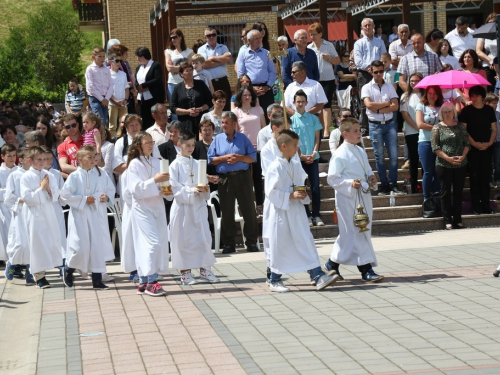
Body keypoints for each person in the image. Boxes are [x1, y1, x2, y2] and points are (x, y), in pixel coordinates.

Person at [264, 130, 339, 293]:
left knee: (305, 240)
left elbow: (300, 183)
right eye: (294, 145)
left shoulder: (296, 164)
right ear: (283, 146)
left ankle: (317, 275)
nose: (298, 148)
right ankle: (274, 279)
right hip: (281, 212)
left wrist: (302, 192)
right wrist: (290, 195)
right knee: (281, 244)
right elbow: (271, 192)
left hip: (296, 210)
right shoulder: (274, 167)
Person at [325, 117, 384, 282]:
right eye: (355, 131)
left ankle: (332, 264)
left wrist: (371, 176)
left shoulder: (360, 150)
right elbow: (332, 179)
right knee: (356, 230)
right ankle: (366, 269)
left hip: (362, 196)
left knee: (355, 232)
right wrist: (351, 183)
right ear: (345, 134)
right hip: (348, 198)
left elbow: (367, 168)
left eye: (360, 131)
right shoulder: (339, 154)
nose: (359, 134)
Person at [61, 145, 115, 290]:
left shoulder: (98, 174)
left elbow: (107, 189)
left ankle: (97, 280)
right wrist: (84, 199)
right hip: (79, 215)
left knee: (96, 246)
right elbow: (65, 196)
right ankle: (69, 269)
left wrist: (104, 196)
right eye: (89, 157)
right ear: (79, 160)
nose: (93, 160)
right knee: (80, 247)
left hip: (95, 214)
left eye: (93, 157)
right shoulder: (74, 176)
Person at [169, 130, 218, 285]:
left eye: (192, 145)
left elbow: (204, 184)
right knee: (183, 240)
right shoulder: (174, 165)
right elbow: (174, 189)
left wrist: (204, 189)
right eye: (187, 145)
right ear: (179, 145)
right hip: (183, 209)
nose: (190, 148)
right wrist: (191, 190)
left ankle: (205, 269)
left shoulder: (197, 164)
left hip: (198, 207)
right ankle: (185, 273)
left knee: (203, 238)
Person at [127, 132, 172, 296]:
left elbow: (165, 187)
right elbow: (136, 189)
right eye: (147, 142)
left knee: (157, 242)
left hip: (157, 207)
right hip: (143, 208)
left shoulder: (157, 162)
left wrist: (168, 189)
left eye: (152, 142)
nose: (151, 145)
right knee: (151, 243)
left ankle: (143, 282)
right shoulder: (134, 164)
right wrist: (155, 180)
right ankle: (152, 281)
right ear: (138, 145)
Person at [207, 111, 259, 254]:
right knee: (227, 211)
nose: (223, 125)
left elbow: (253, 157)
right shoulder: (217, 139)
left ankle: (251, 242)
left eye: (226, 123)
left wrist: (239, 158)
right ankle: (229, 243)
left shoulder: (243, 139)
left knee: (248, 209)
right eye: (222, 122)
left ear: (234, 124)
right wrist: (225, 158)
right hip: (225, 178)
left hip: (242, 177)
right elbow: (210, 159)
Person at [20, 146, 61, 289]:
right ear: (30, 161)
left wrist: (49, 189)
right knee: (36, 243)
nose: (42, 162)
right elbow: (27, 198)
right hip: (34, 214)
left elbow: (56, 196)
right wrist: (41, 188)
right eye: (39, 159)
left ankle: (50, 269)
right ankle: (39, 276)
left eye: (44, 159)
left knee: (49, 240)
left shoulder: (49, 175)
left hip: (48, 212)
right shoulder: (26, 176)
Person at [361, 60, 401, 195]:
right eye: (376, 71)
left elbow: (395, 106)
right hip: (375, 126)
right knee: (379, 157)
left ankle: (393, 183)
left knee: (394, 156)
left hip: (390, 124)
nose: (379, 74)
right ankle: (384, 184)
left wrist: (378, 109)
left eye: (381, 71)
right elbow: (369, 105)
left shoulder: (389, 86)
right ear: (371, 72)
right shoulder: (366, 87)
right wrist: (385, 104)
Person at [458, 85, 497, 214]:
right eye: (472, 95)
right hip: (472, 149)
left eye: (476, 95)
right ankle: (476, 206)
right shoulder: (466, 111)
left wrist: (489, 143)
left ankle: (486, 206)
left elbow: (494, 129)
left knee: (485, 178)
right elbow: (463, 130)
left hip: (487, 147)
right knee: (474, 177)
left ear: (482, 97)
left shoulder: (489, 110)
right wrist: (474, 144)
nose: (474, 98)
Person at [431, 104, 469, 229]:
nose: (448, 114)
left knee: (458, 192)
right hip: (443, 164)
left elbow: (467, 143)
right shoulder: (437, 127)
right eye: (445, 112)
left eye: (450, 111)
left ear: (454, 113)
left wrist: (463, 156)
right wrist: (447, 158)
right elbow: (435, 147)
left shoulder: (460, 126)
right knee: (445, 192)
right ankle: (447, 220)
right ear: (442, 114)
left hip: (460, 163)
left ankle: (458, 219)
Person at [290, 90, 324, 226]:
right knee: (301, 188)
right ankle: (307, 215)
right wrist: (301, 156)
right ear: (294, 103)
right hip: (299, 160)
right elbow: (293, 141)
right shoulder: (291, 121)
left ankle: (317, 215)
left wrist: (314, 152)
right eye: (298, 101)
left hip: (313, 158)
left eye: (302, 101)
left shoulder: (313, 118)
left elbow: (317, 138)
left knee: (315, 187)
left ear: (306, 103)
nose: (300, 104)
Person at [233, 86, 266, 216]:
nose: (247, 97)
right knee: (244, 179)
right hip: (244, 149)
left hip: (258, 148)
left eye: (249, 95)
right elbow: (236, 131)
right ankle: (244, 206)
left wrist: (262, 144)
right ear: (240, 97)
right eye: (244, 95)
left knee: (258, 178)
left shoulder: (258, 109)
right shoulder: (236, 111)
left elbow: (264, 128)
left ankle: (259, 205)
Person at [4, 147, 33, 285]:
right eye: (29, 157)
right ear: (21, 160)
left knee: (33, 243)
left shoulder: (35, 174)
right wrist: (19, 200)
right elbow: (8, 197)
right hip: (20, 213)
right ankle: (11, 263)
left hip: (33, 213)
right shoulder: (14, 175)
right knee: (20, 243)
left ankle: (30, 271)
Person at [236, 30, 276, 123]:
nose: (259, 40)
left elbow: (272, 72)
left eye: (260, 38)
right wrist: (250, 88)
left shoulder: (267, 53)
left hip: (266, 90)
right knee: (253, 117)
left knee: (268, 116)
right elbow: (240, 74)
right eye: (256, 38)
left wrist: (268, 86)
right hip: (249, 91)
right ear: (249, 40)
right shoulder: (243, 54)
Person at [354, 18, 387, 131]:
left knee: (379, 98)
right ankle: (365, 127)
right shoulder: (358, 43)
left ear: (374, 27)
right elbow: (358, 61)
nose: (367, 27)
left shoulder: (380, 42)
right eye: (365, 26)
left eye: (369, 25)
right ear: (362, 28)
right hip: (364, 74)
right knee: (364, 101)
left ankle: (380, 123)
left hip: (378, 73)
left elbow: (383, 57)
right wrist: (370, 69)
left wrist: (376, 70)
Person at [308, 23, 340, 138]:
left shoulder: (329, 45)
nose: (312, 37)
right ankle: (321, 129)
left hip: (328, 79)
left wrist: (329, 58)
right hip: (315, 80)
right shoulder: (309, 48)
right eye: (310, 35)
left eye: (314, 34)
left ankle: (327, 130)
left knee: (327, 105)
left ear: (320, 34)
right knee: (318, 106)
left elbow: (337, 60)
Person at [41, 145, 66, 270]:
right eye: (45, 159)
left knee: (59, 235)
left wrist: (55, 194)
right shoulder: (37, 173)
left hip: (55, 208)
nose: (48, 162)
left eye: (50, 159)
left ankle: (62, 262)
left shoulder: (56, 173)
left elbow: (62, 191)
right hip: (42, 209)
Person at [171, 62, 212, 138]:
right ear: (181, 74)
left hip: (202, 121)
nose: (189, 72)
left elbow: (210, 101)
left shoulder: (201, 84)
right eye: (187, 71)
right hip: (185, 122)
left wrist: (200, 109)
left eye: (191, 70)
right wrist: (188, 112)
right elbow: (173, 108)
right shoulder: (177, 88)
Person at [416, 86, 443, 201]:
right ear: (426, 94)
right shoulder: (421, 106)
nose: (432, 96)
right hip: (425, 142)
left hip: (440, 142)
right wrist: (436, 127)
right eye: (430, 93)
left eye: (435, 93)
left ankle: (437, 195)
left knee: (438, 170)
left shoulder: (442, 107)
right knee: (428, 171)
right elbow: (420, 124)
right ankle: (426, 197)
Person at [198, 27, 232, 111]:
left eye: (213, 35)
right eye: (209, 35)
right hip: (210, 83)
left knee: (226, 106)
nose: (211, 37)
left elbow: (228, 58)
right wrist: (221, 60)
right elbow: (204, 64)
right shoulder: (201, 49)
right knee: (212, 106)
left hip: (223, 81)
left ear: (217, 36)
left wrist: (212, 58)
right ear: (205, 38)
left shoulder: (223, 47)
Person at [400, 73, 424, 193]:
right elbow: (405, 115)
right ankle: (414, 184)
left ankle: (426, 184)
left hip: (426, 132)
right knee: (413, 159)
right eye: (412, 81)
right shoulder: (405, 96)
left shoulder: (426, 95)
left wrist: (422, 128)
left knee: (425, 160)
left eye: (417, 80)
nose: (414, 83)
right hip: (411, 132)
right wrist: (417, 127)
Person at [135, 47, 165, 130]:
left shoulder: (155, 65)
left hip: (154, 96)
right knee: (145, 118)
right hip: (142, 98)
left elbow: (157, 79)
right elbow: (136, 80)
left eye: (138, 57)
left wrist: (144, 85)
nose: (137, 59)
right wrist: (138, 86)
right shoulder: (139, 68)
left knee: (155, 116)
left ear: (143, 56)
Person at [164, 28, 194, 106]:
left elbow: (189, 68)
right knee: (174, 106)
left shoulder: (189, 52)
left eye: (175, 37)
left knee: (187, 105)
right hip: (172, 83)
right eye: (171, 38)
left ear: (180, 37)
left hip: (186, 82)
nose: (173, 39)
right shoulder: (168, 51)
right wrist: (183, 68)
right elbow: (169, 68)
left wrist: (175, 67)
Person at [85, 47, 112, 126]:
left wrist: (106, 98)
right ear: (93, 57)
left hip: (105, 98)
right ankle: (99, 137)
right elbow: (90, 86)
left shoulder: (107, 70)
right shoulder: (90, 69)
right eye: (99, 56)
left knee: (105, 120)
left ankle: (104, 136)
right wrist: (101, 99)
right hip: (95, 98)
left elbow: (111, 85)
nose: (102, 58)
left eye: (103, 56)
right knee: (100, 120)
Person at [192, 120, 219, 192]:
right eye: (204, 130)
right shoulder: (195, 146)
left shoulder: (219, 145)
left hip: (219, 182)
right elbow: (193, 164)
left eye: (209, 129)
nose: (207, 132)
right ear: (200, 132)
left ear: (213, 131)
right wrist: (206, 176)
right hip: (202, 183)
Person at [0, 144, 18, 253]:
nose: (12, 158)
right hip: (3, 207)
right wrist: (9, 192)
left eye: (14, 155)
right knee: (6, 231)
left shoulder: (19, 170)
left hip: (18, 206)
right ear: (2, 156)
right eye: (9, 156)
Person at [108, 53, 129, 137]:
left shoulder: (123, 74)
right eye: (116, 61)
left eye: (120, 61)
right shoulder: (108, 74)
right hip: (112, 103)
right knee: (112, 125)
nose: (119, 63)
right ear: (110, 62)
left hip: (123, 103)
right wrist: (114, 101)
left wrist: (126, 100)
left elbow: (126, 88)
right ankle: (112, 141)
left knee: (125, 123)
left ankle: (124, 138)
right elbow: (107, 90)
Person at [476, 13, 498, 90]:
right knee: (490, 91)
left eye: (494, 22)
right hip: (489, 66)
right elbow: (478, 51)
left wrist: (497, 62)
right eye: (489, 23)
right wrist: (491, 60)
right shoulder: (484, 34)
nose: (491, 24)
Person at [485, 93, 500, 187]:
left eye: (496, 103)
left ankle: (498, 179)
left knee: (497, 161)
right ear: (488, 103)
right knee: (487, 162)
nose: (495, 105)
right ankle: (489, 180)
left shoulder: (498, 114)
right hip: (487, 140)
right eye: (494, 103)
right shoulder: (484, 114)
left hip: (498, 141)